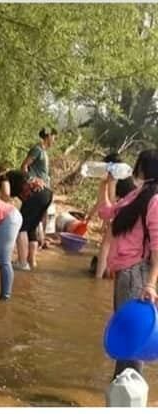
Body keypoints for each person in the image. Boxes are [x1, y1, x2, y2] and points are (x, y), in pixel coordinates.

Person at [97, 149, 158, 380]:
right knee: (125, 332)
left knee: (133, 337)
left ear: (143, 168)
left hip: (137, 274)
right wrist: (106, 184)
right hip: (125, 272)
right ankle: (121, 386)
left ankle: (128, 393)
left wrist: (151, 284)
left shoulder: (154, 200)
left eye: (138, 164)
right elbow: (106, 213)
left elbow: (157, 248)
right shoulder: (137, 195)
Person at [87, 153, 137, 279]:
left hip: (126, 209)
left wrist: (109, 219)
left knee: (106, 244)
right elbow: (101, 201)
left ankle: (98, 278)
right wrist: (88, 217)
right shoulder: (123, 173)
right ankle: (109, 274)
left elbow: (111, 200)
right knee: (112, 243)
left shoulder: (114, 174)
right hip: (131, 209)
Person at [0, 163, 53, 270]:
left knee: (21, 227)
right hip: (47, 194)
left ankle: (22, 262)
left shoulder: (4, 176)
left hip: (35, 196)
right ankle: (32, 261)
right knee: (31, 228)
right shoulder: (19, 174)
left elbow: (6, 194)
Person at [22, 127, 57, 248]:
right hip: (38, 190)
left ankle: (40, 239)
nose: (54, 140)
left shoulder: (44, 152)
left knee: (43, 214)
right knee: (35, 217)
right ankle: (34, 240)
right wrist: (32, 181)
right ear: (48, 136)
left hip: (45, 189)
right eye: (54, 137)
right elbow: (24, 166)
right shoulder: (37, 149)